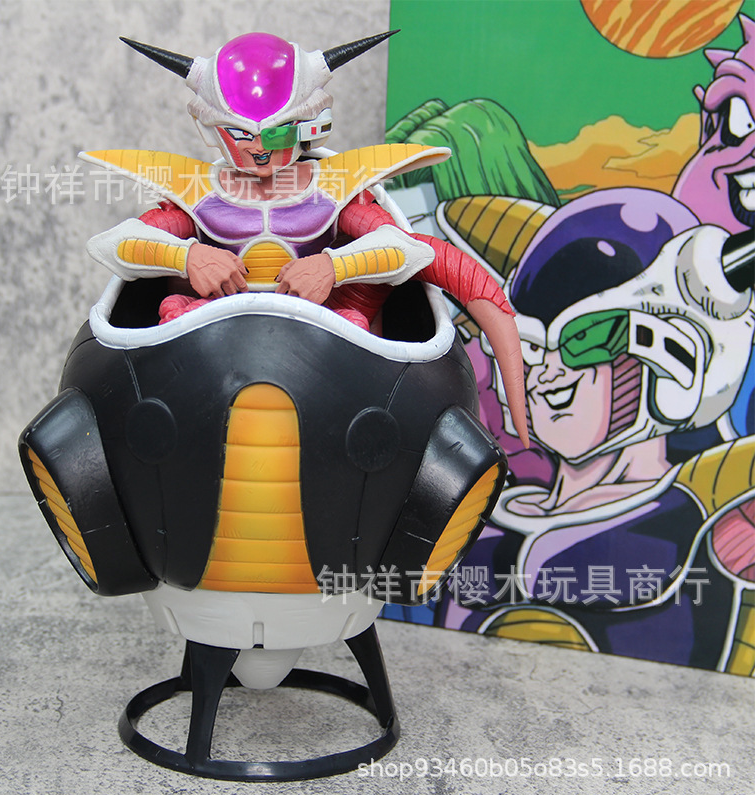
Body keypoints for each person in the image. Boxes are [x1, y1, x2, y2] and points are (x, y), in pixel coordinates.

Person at [82, 31, 529, 444]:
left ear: (306, 122)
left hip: (323, 362)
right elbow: (113, 244)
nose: (259, 148)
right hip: (209, 366)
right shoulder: (196, 190)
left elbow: (406, 248)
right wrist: (188, 257)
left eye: (275, 131)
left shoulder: (334, 186)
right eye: (240, 133)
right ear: (213, 127)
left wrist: (333, 266)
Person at [433, 188, 755, 673]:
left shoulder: (708, 517)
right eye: (528, 344)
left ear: (676, 361)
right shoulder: (500, 504)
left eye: (584, 339)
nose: (546, 372)